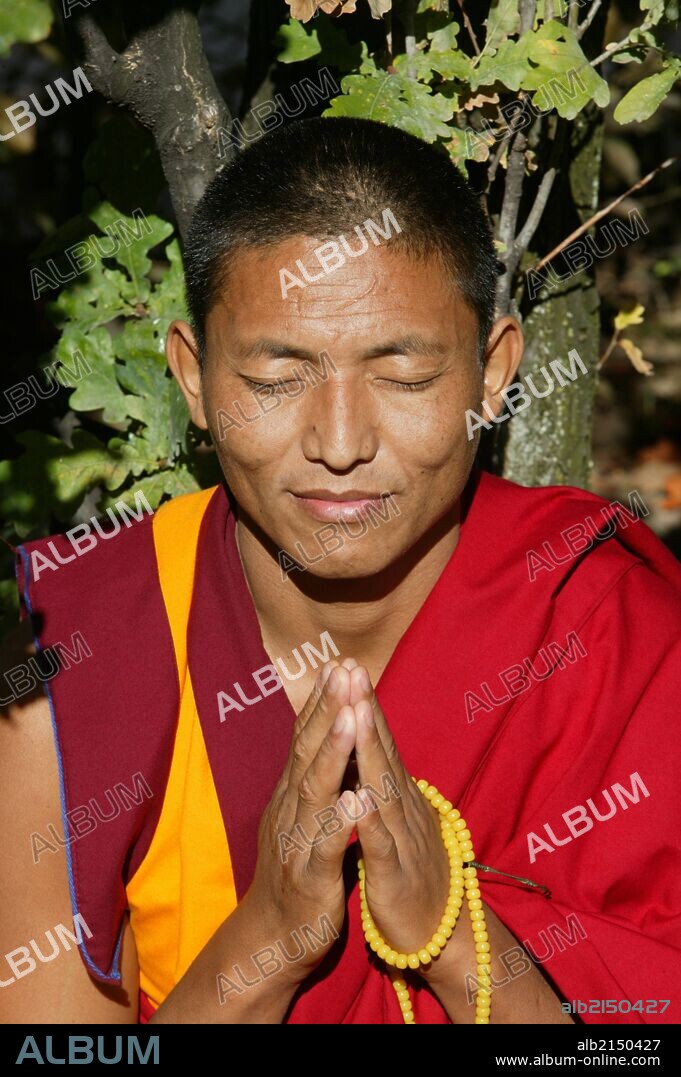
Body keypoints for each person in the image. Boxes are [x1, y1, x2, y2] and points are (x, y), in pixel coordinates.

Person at [1, 117, 680, 1026]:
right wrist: (270, 938)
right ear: (194, 379)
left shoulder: (603, 622)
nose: (340, 444)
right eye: (278, 378)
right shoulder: (72, 668)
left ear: (492, 373)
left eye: (402, 376)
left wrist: (453, 932)